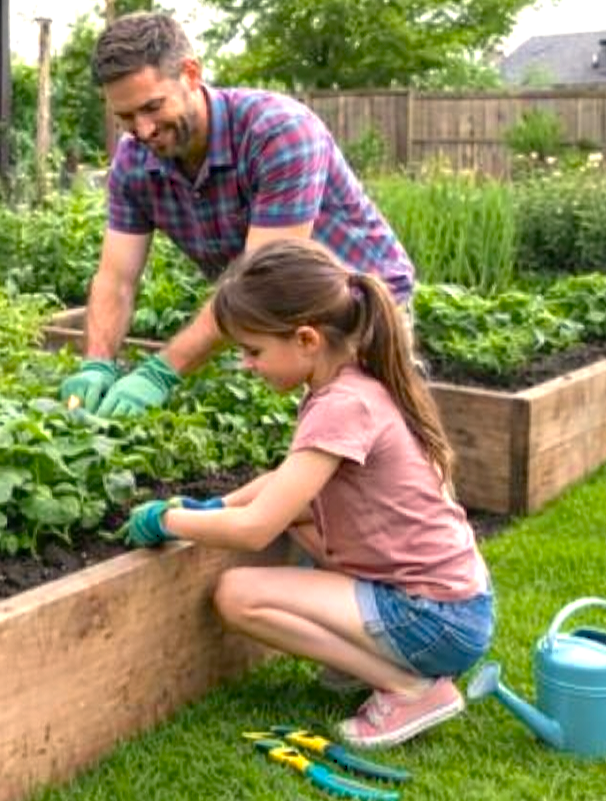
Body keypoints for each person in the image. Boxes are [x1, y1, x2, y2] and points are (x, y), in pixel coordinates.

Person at [124, 238, 494, 749]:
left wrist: (168, 521)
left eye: (253, 351)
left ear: (306, 339)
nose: (248, 365)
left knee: (237, 597)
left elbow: (256, 531)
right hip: (455, 603)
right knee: (299, 517)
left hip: (434, 619)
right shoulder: (354, 379)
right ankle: (379, 658)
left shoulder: (342, 404)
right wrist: (215, 507)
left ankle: (408, 686)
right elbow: (286, 484)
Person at [59, 11, 415, 417]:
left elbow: (260, 279)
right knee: (306, 458)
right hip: (277, 329)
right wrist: (97, 360)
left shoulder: (278, 133)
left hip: (357, 315)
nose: (142, 130)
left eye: (152, 107)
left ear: (191, 74)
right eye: (125, 118)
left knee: (385, 461)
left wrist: (162, 371)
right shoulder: (134, 163)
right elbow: (116, 278)